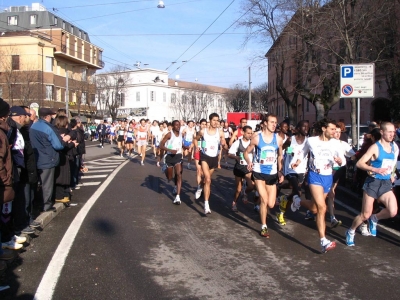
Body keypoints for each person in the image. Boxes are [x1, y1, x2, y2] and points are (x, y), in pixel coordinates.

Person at [346, 122, 399, 246]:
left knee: (393, 212)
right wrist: (375, 169)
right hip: (373, 183)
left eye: (393, 132)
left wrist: (391, 175)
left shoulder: (394, 147)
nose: (392, 134)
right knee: (365, 214)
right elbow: (360, 163)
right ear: (382, 132)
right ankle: (351, 231)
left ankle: (375, 219)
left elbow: (394, 162)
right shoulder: (375, 147)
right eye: (389, 132)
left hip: (385, 183)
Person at [293, 118, 341, 253]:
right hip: (315, 176)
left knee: (314, 209)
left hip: (328, 177)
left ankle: (298, 201)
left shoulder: (335, 143)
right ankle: (323, 241)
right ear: (324, 129)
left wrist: (339, 160)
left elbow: (341, 160)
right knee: (322, 207)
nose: (334, 132)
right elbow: (303, 153)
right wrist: (296, 162)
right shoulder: (312, 141)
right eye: (332, 129)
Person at [244, 114, 284, 238]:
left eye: (275, 122)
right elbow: (246, 152)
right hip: (258, 172)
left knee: (271, 204)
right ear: (265, 123)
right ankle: (264, 226)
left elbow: (279, 155)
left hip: (271, 173)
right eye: (272, 122)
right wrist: (249, 162)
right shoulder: (257, 138)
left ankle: (261, 204)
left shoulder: (278, 139)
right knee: (264, 200)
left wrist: (280, 171)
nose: (274, 124)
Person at [30, 108, 68, 212]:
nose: (53, 117)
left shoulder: (33, 126)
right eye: (51, 116)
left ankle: (36, 203)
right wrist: (63, 140)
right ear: (47, 116)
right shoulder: (48, 128)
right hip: (47, 159)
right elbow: (58, 145)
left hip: (35, 158)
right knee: (47, 184)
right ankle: (46, 205)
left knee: (36, 183)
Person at [276, 120, 309, 226]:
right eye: (304, 127)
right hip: (290, 168)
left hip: (301, 169)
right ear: (298, 129)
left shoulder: (308, 141)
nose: (306, 129)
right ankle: (285, 203)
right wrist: (291, 152)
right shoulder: (291, 139)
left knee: (294, 190)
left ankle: (283, 205)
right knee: (297, 191)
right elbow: (283, 148)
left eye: (307, 127)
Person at [195, 113, 229, 214]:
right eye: (214, 120)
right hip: (204, 156)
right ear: (210, 121)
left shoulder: (220, 132)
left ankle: (200, 186)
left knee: (206, 180)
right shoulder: (203, 131)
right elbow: (196, 139)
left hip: (214, 158)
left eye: (217, 120)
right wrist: (197, 146)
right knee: (208, 179)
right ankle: (206, 205)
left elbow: (225, 146)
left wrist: (225, 145)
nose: (216, 122)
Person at [326, 125, 356, 228]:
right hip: (327, 169)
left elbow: (353, 154)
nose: (338, 134)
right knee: (327, 193)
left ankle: (332, 217)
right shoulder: (328, 143)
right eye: (335, 131)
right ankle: (313, 209)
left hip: (339, 170)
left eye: (339, 132)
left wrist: (354, 158)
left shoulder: (343, 144)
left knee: (331, 193)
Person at [228, 125, 254, 212]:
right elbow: (229, 154)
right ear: (242, 132)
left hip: (248, 167)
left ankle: (245, 193)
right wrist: (237, 158)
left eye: (251, 133)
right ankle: (234, 202)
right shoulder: (237, 143)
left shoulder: (253, 143)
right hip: (239, 167)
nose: (250, 135)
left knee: (251, 186)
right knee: (238, 189)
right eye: (248, 133)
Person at [160, 120, 185, 204]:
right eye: (176, 125)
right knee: (170, 177)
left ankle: (178, 197)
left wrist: (186, 146)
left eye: (179, 125)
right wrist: (170, 150)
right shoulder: (169, 134)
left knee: (179, 174)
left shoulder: (181, 134)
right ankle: (165, 168)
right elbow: (161, 145)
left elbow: (181, 144)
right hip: (170, 157)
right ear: (173, 126)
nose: (178, 126)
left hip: (178, 156)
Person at [194, 119, 207, 199]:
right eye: (202, 124)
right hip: (198, 152)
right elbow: (195, 140)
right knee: (199, 170)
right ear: (199, 125)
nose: (204, 125)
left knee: (205, 173)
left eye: (205, 124)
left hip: (206, 153)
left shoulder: (209, 133)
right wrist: (196, 146)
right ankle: (199, 187)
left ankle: (203, 185)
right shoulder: (197, 133)